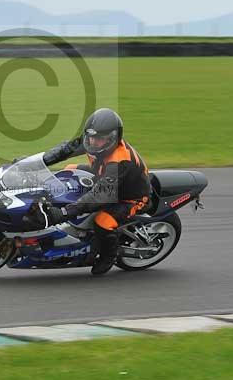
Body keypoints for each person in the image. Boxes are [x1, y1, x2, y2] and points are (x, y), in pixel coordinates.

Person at [26, 107, 150, 275]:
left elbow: (101, 195)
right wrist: (34, 162)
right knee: (68, 171)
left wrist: (63, 213)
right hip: (103, 175)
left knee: (103, 221)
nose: (92, 143)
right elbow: (65, 150)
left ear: (112, 139)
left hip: (128, 197)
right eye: (90, 137)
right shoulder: (95, 142)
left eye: (98, 139)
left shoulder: (120, 161)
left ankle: (108, 255)